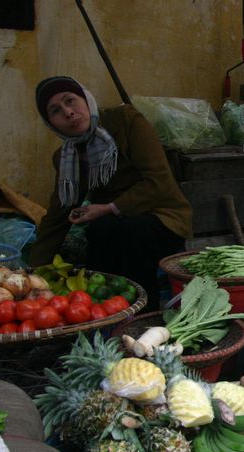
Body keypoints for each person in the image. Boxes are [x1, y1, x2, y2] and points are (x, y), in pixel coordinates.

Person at [29, 76, 192, 310]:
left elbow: (159, 182)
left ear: (86, 100)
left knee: (128, 232)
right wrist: (32, 273)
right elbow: (57, 216)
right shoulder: (66, 158)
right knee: (99, 232)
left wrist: (108, 208)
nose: (68, 112)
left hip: (164, 216)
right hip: (112, 223)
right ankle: (102, 312)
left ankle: (144, 313)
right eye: (56, 110)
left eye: (71, 101)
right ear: (51, 123)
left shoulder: (126, 122)